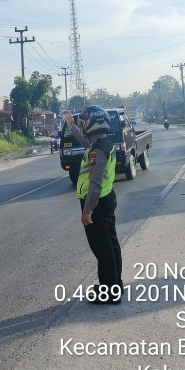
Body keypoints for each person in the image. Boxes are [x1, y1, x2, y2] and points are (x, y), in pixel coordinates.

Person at [64, 106, 123, 305]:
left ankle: (109, 293)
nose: (82, 123)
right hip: (106, 200)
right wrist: (72, 127)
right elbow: (85, 142)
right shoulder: (103, 144)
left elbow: (95, 184)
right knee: (111, 245)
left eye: (84, 121)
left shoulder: (98, 151)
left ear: (91, 124)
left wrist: (87, 211)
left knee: (102, 249)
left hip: (96, 203)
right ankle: (114, 284)